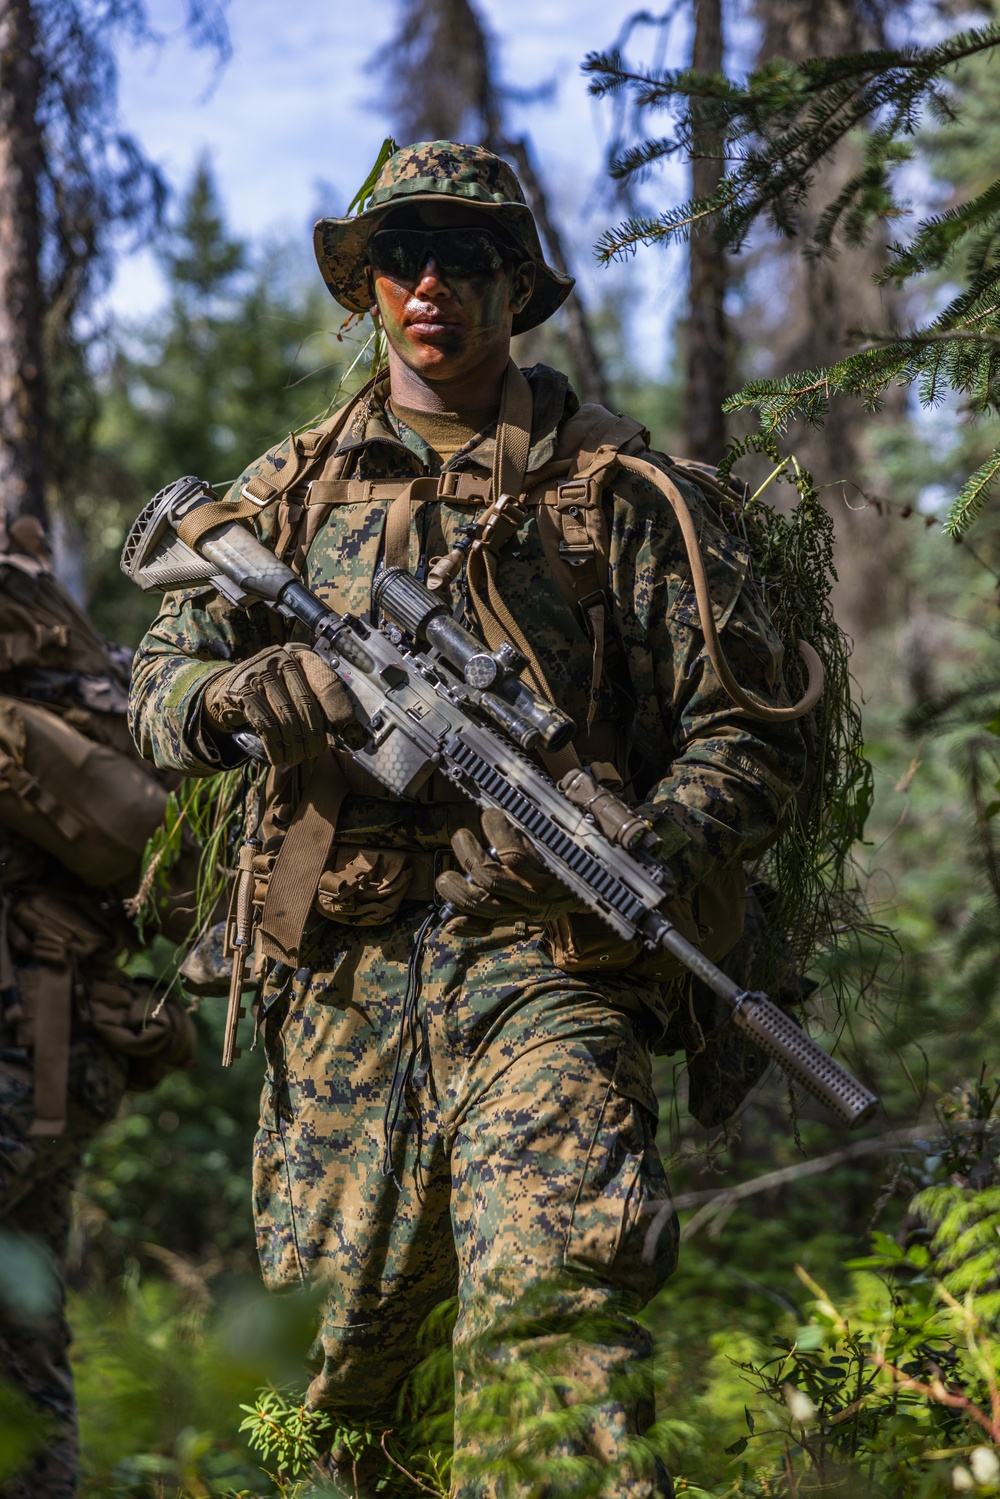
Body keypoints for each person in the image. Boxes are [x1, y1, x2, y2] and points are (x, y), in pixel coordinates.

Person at [128, 140, 806, 1496]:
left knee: (558, 1332)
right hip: (340, 986)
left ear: (519, 284)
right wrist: (243, 689)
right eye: (399, 256)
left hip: (552, 968)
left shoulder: (621, 495)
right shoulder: (291, 494)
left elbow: (747, 734)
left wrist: (636, 843)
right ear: (366, 286)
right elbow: (155, 689)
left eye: (466, 254)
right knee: (339, 1391)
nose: (429, 282)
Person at [0, 515, 196, 1499]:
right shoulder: (50, 679)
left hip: (17, 1053)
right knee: (23, 1342)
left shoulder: (20, 720)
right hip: (55, 1052)